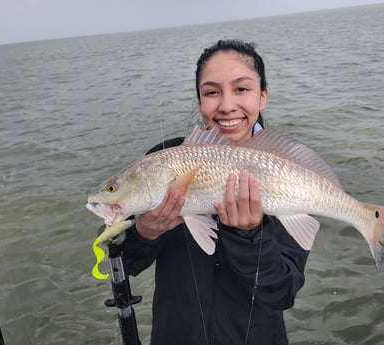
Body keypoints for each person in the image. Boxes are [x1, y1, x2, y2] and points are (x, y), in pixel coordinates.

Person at [120, 39, 309, 345]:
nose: (226, 105)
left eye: (242, 89)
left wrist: (250, 236)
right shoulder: (163, 159)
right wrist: (143, 233)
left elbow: (283, 291)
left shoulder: (287, 172)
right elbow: (116, 263)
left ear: (263, 97)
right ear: (199, 101)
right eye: (211, 92)